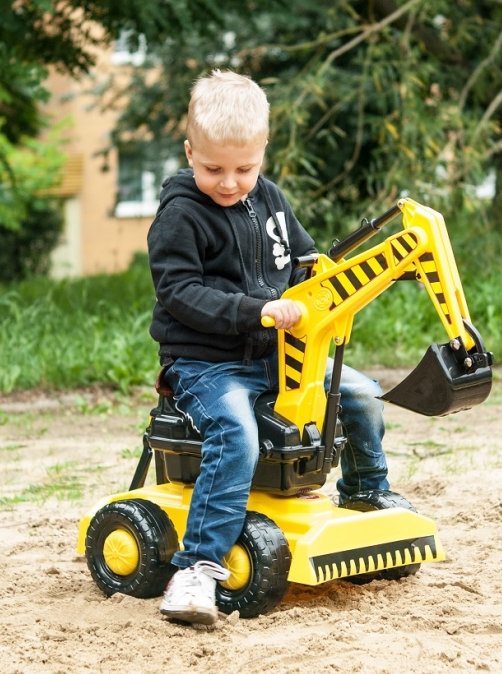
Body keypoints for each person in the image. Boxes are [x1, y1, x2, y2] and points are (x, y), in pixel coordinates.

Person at [147, 69, 389, 626]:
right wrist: (253, 309)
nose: (230, 183)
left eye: (245, 169)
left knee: (359, 393)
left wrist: (338, 280)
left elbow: (305, 262)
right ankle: (198, 569)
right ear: (190, 153)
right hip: (208, 366)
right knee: (237, 434)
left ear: (262, 154)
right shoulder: (180, 215)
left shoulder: (270, 200)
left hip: (276, 360)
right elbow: (179, 292)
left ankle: (369, 493)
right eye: (213, 169)